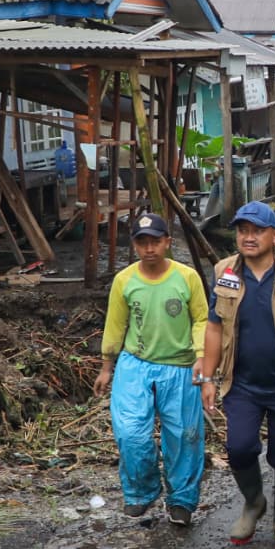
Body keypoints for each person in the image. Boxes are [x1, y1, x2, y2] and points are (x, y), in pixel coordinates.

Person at [200, 202, 275, 547]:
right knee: (240, 447)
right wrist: (208, 377)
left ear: (274, 235)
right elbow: (215, 327)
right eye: (242, 231)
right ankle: (254, 502)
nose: (248, 238)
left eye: (257, 231)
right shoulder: (224, 271)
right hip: (242, 381)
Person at [95, 213, 208, 526]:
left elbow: (201, 319)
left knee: (184, 436)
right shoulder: (125, 280)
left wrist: (201, 356)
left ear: (167, 243)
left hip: (180, 366)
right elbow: (115, 324)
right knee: (131, 434)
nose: (149, 248)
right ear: (135, 245)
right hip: (136, 365)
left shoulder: (187, 278)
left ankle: (181, 500)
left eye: (155, 241)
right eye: (142, 242)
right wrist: (107, 366)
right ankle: (141, 492)